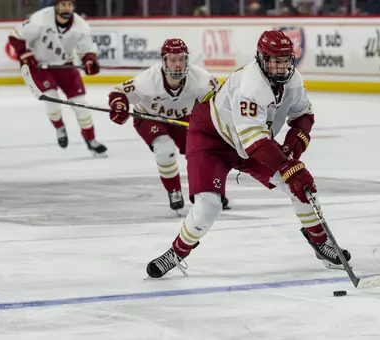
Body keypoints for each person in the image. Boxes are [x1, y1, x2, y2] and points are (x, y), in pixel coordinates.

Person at [146, 30, 352, 278]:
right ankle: (176, 253)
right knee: (209, 206)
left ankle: (320, 244)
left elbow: (304, 117)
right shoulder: (250, 85)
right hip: (212, 140)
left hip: (253, 141)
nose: (281, 66)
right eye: (275, 60)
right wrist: (289, 166)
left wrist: (291, 151)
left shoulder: (293, 81)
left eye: (286, 60)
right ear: (262, 59)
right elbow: (253, 143)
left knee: (300, 187)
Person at [108, 38, 230, 212]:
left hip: (185, 118)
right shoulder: (148, 80)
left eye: (181, 59)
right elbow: (119, 92)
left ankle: (212, 192)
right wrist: (119, 106)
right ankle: (174, 191)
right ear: (164, 61)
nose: (178, 65)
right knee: (164, 149)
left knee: (205, 152)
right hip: (150, 117)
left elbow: (220, 98)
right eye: (173, 60)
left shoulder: (201, 78)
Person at [8, 0, 107, 156]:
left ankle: (91, 140)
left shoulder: (80, 26)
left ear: (74, 7)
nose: (66, 8)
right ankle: (60, 127)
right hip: (40, 67)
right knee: (52, 100)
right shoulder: (40, 19)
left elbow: (87, 50)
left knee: (81, 104)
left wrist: (89, 61)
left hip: (64, 65)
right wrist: (25, 54)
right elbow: (15, 36)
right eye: (63, 4)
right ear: (56, 6)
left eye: (69, 4)